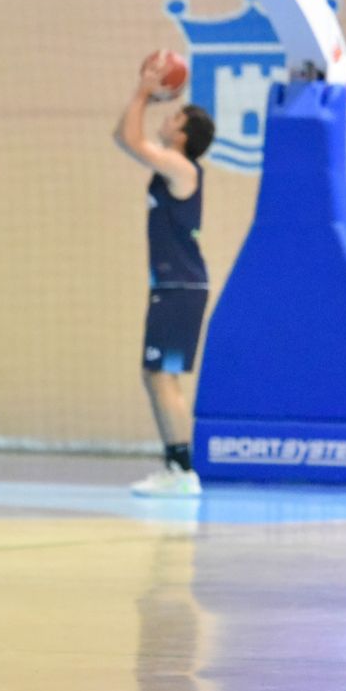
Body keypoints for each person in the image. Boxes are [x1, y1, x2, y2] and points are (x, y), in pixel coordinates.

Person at [114, 51, 215, 498]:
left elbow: (131, 142)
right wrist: (144, 98)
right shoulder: (172, 167)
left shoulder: (181, 167)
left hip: (180, 287)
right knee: (156, 374)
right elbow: (124, 137)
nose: (166, 118)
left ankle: (181, 469)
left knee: (161, 375)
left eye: (173, 116)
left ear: (183, 135)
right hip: (174, 287)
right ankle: (177, 465)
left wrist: (143, 92)